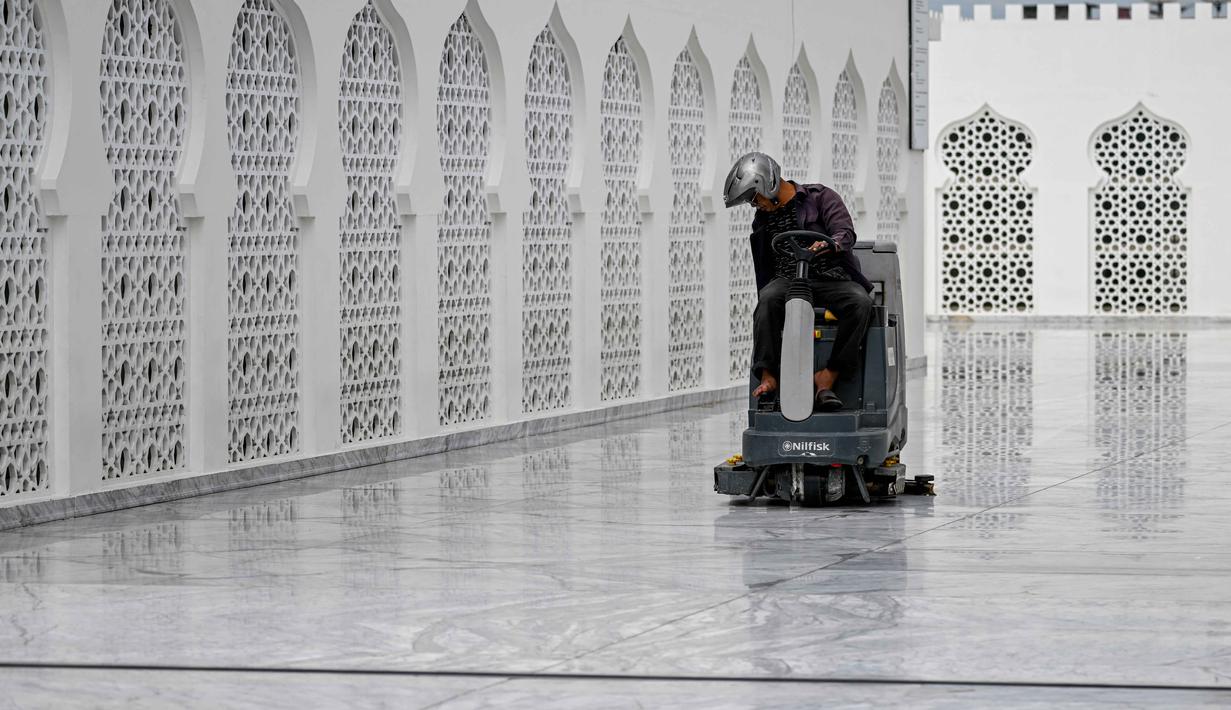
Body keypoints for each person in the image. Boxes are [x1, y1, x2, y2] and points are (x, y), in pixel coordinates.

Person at [723, 152, 873, 412]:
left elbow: (845, 232)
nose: (754, 205)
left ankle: (828, 377)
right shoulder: (763, 219)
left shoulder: (821, 198)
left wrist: (831, 244)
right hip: (789, 282)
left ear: (767, 183)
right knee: (767, 301)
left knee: (860, 302)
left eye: (754, 197)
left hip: (831, 279)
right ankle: (769, 377)